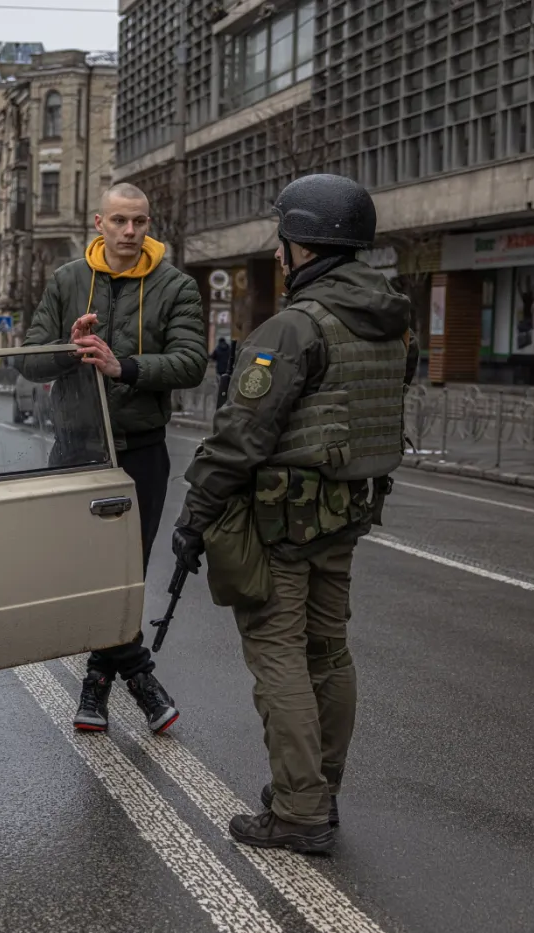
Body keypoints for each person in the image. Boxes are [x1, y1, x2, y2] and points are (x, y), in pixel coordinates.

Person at [171, 174, 416, 854]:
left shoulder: (296, 326)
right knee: (329, 651)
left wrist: (195, 515)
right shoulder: (390, 321)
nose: (278, 253)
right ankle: (320, 790)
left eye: (283, 239)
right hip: (345, 514)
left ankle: (299, 809)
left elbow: (238, 436)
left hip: (282, 523)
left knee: (278, 651)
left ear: (301, 245)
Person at [21, 183, 208, 735]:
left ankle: (96, 685)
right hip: (77, 451)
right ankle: (140, 677)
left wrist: (123, 366)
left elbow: (193, 361)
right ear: (98, 223)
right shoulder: (67, 280)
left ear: (150, 225)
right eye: (120, 221)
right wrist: (67, 346)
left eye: (141, 221)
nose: (131, 231)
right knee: (83, 573)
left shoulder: (176, 286)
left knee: (126, 575)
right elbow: (31, 361)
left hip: (141, 452)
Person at [211, 337, 234, 407]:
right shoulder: (229, 348)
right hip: (228, 370)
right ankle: (227, 396)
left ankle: (220, 397)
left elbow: (212, 357)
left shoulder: (217, 349)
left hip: (220, 370)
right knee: (228, 384)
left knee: (220, 384)